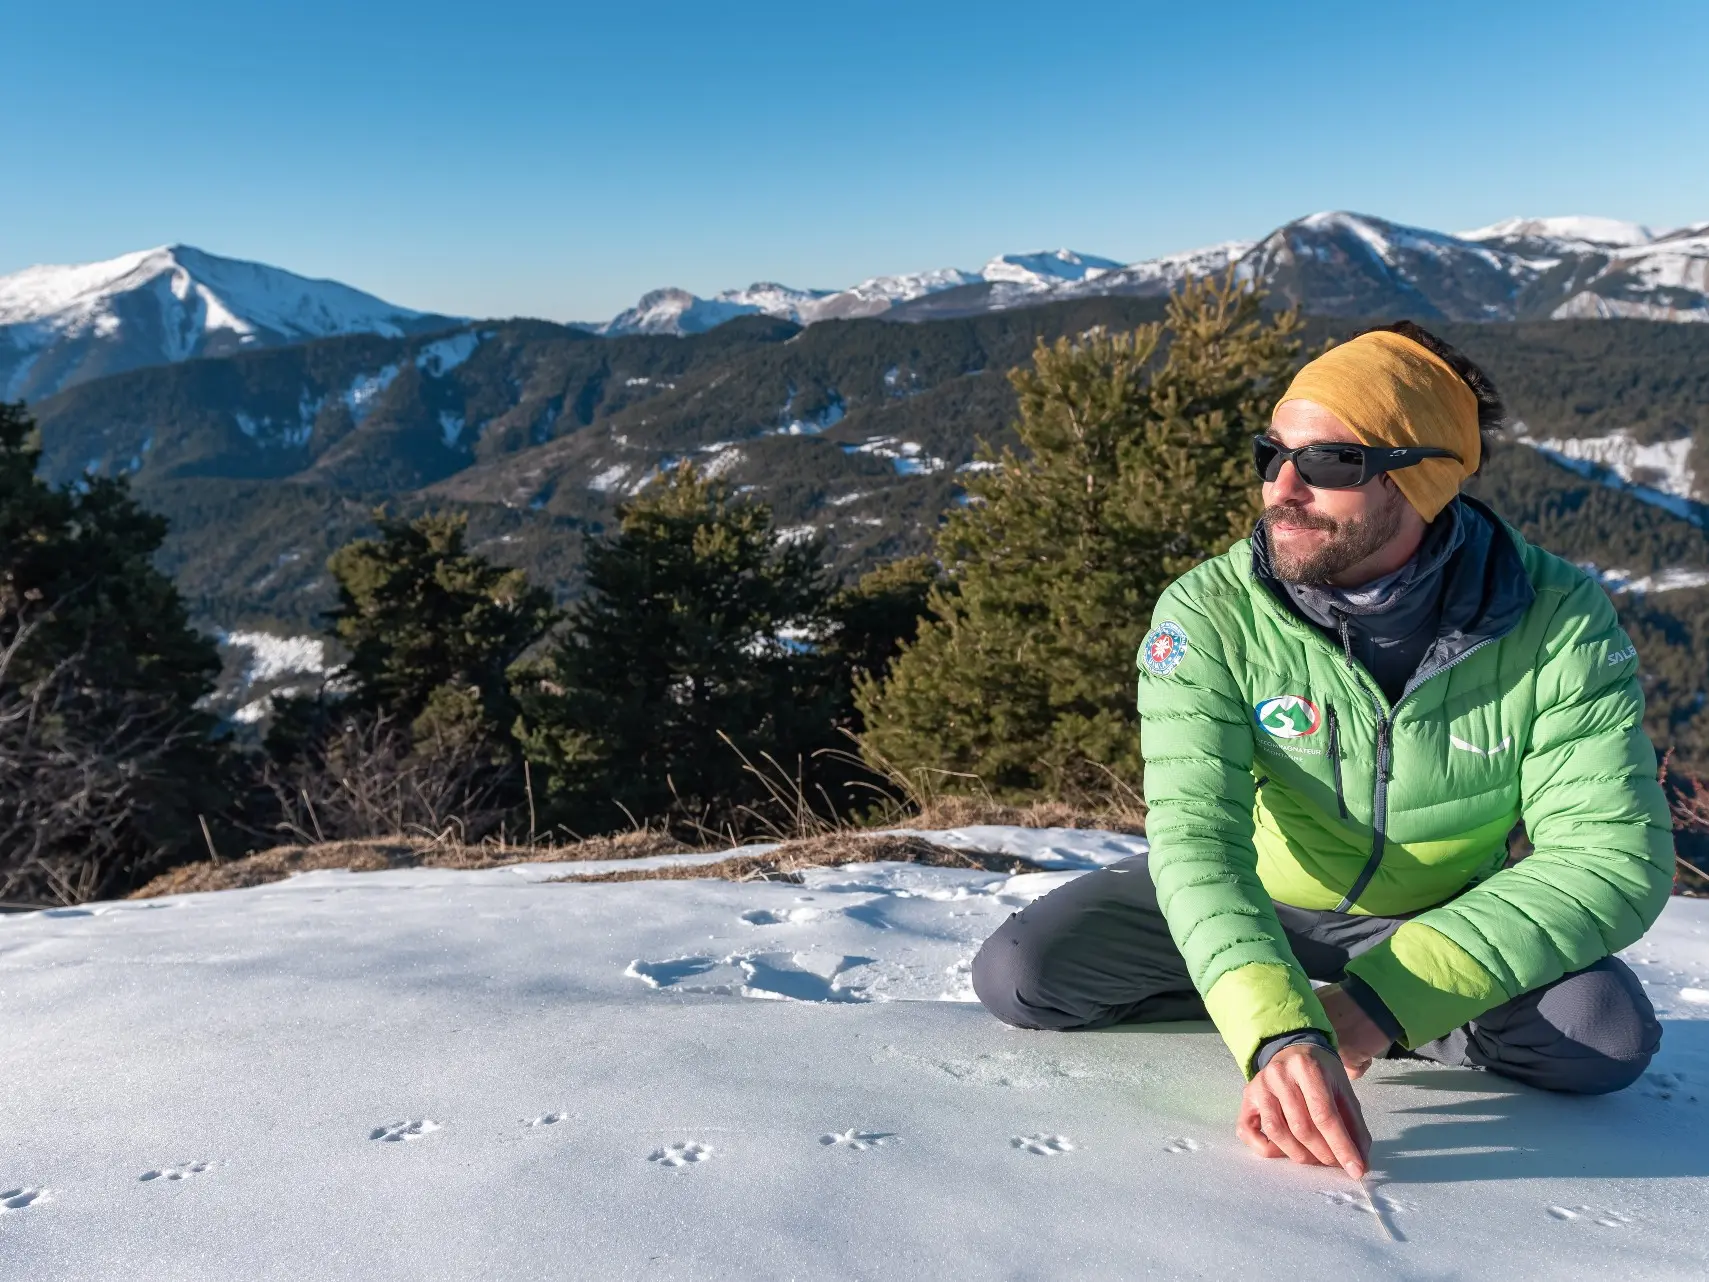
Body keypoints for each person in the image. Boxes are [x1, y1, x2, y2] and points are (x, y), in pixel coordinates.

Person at [970, 322, 1674, 1179]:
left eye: (1331, 462)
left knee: (1601, 1037)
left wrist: (1378, 1005)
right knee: (1023, 974)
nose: (1282, 485)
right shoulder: (1211, 612)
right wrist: (1275, 1031)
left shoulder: (1554, 618)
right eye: (1270, 453)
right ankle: (1270, 994)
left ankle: (1355, 1010)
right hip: (1263, 894)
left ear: (1421, 478)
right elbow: (1196, 839)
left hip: (1435, 916)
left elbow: (1608, 857)